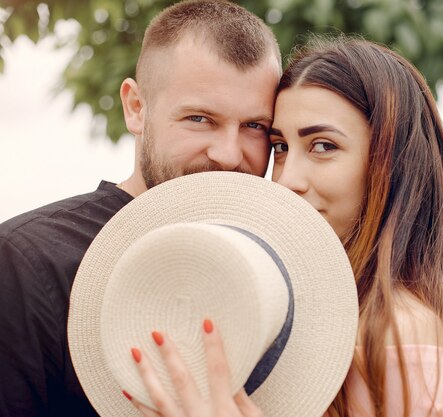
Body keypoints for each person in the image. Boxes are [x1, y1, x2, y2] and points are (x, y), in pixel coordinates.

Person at [128, 37, 443, 416]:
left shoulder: (399, 332)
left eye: (323, 146)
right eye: (281, 148)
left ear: (392, 164)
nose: (287, 181)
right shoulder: (312, 308)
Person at [0, 1, 281, 416]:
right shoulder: (25, 263)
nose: (227, 154)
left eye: (254, 126)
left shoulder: (283, 265)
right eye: (200, 119)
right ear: (136, 107)